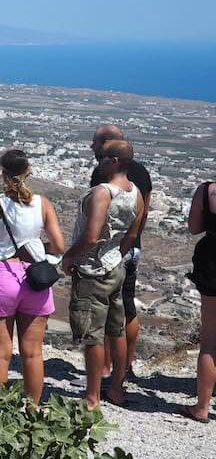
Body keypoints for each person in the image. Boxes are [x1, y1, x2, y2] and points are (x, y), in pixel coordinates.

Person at [0, 150, 65, 403]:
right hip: (35, 280)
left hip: (3, 277)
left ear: (3, 174)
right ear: (29, 171)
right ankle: (32, 412)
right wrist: (36, 246)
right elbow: (58, 246)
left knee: (0, 354)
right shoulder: (43, 204)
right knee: (33, 354)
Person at [63, 140, 144, 410]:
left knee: (93, 335)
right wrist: (116, 257)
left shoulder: (102, 193)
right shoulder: (136, 194)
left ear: (115, 161)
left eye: (103, 157)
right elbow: (131, 236)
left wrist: (69, 257)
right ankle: (117, 389)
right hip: (116, 267)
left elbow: (91, 236)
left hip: (92, 272)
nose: (99, 161)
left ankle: (92, 396)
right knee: (116, 330)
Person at [90, 125, 152, 381]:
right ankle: (126, 366)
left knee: (104, 308)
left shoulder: (104, 172)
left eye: (95, 143)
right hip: (133, 245)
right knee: (127, 305)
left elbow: (97, 213)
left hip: (109, 249)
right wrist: (133, 239)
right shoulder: (142, 172)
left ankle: (105, 368)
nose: (92, 148)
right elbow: (144, 211)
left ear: (107, 144)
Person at [182, 180, 216, 423]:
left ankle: (202, 407)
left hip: (212, 260)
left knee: (209, 342)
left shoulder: (206, 190)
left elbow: (194, 228)